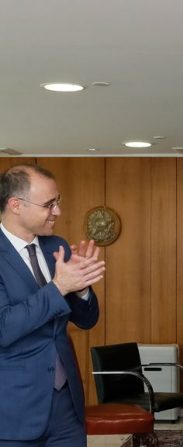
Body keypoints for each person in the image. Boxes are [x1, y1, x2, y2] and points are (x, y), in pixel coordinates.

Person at [0, 164, 104, 446]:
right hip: (12, 411)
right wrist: (59, 287)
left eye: (58, 202)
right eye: (49, 204)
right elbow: (4, 328)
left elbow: (87, 320)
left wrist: (81, 288)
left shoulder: (55, 246)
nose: (57, 211)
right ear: (16, 205)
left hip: (65, 406)